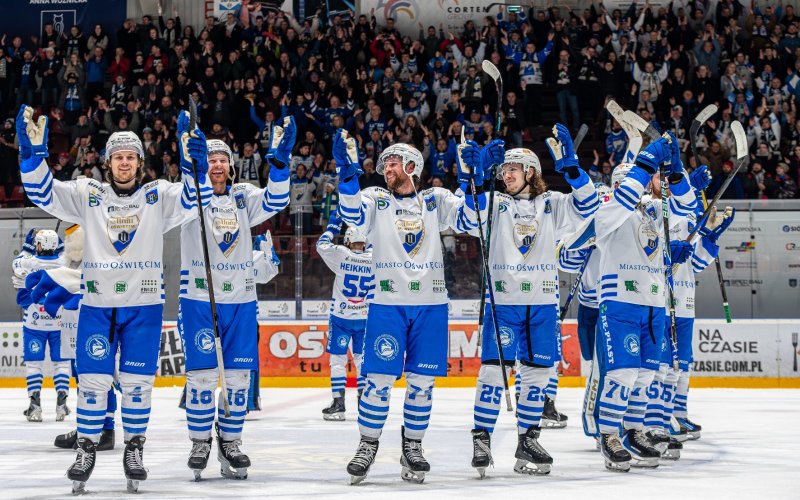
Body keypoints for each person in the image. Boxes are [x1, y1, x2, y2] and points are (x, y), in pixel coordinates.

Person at [16, 104, 211, 493]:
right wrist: (32, 157)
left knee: (138, 383)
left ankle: (134, 449)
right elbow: (42, 192)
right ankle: (86, 448)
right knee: (92, 382)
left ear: (140, 163)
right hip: (97, 305)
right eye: (117, 158)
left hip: (144, 306)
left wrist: (196, 167)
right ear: (107, 163)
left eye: (130, 157)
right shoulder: (89, 193)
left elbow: (197, 201)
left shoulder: (159, 196)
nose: (124, 163)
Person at [335, 129, 487, 484]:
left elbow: (469, 222)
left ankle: (413, 447)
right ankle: (368, 444)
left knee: (422, 384)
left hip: (431, 305)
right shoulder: (375, 199)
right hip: (388, 304)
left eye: (392, 162)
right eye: (385, 162)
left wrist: (471, 179)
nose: (385, 168)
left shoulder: (435, 198)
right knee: (377, 381)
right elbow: (352, 215)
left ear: (411, 166)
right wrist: (346, 177)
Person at [469, 125, 599, 478]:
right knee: (494, 372)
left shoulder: (552, 203)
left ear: (531, 172)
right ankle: (482, 437)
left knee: (538, 375)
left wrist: (572, 168)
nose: (506, 175)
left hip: (541, 304)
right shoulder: (496, 203)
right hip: (504, 302)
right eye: (503, 169)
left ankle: (527, 438)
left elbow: (588, 205)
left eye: (512, 169)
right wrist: (477, 178)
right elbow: (468, 218)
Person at [179, 117, 291, 480]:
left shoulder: (243, 197)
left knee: (239, 377)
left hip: (241, 299)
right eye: (210, 159)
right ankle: (200, 442)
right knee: (201, 376)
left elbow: (276, 199)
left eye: (222, 159)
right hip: (198, 297)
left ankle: (231, 441)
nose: (217, 164)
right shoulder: (190, 195)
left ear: (231, 165)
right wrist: (187, 161)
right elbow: (184, 188)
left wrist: (279, 165)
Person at [593, 133, 697, 472]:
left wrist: (678, 175)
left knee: (644, 375)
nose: (645, 187)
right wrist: (643, 166)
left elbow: (686, 209)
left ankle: (634, 431)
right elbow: (621, 204)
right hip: (620, 299)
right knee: (622, 373)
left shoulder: (654, 210)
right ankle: (609, 434)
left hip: (653, 301)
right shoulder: (609, 207)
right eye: (639, 179)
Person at [25, 225, 118, 451]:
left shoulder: (100, 256)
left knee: (99, 375)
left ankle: (103, 429)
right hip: (77, 324)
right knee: (84, 376)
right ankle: (89, 427)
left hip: (98, 321)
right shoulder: (70, 262)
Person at [316, 211, 373, 421]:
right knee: (361, 359)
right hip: (365, 317)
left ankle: (338, 405)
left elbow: (320, 246)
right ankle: (364, 403)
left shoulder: (341, 253)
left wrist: (333, 226)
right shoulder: (373, 256)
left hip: (341, 317)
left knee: (338, 361)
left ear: (348, 241)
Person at [12, 229, 70, 422]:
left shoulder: (27, 263)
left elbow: (22, 297)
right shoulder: (66, 263)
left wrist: (27, 247)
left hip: (34, 323)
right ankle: (62, 405)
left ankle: (35, 406)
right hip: (59, 322)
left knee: (34, 364)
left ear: (38, 245)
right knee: (61, 363)